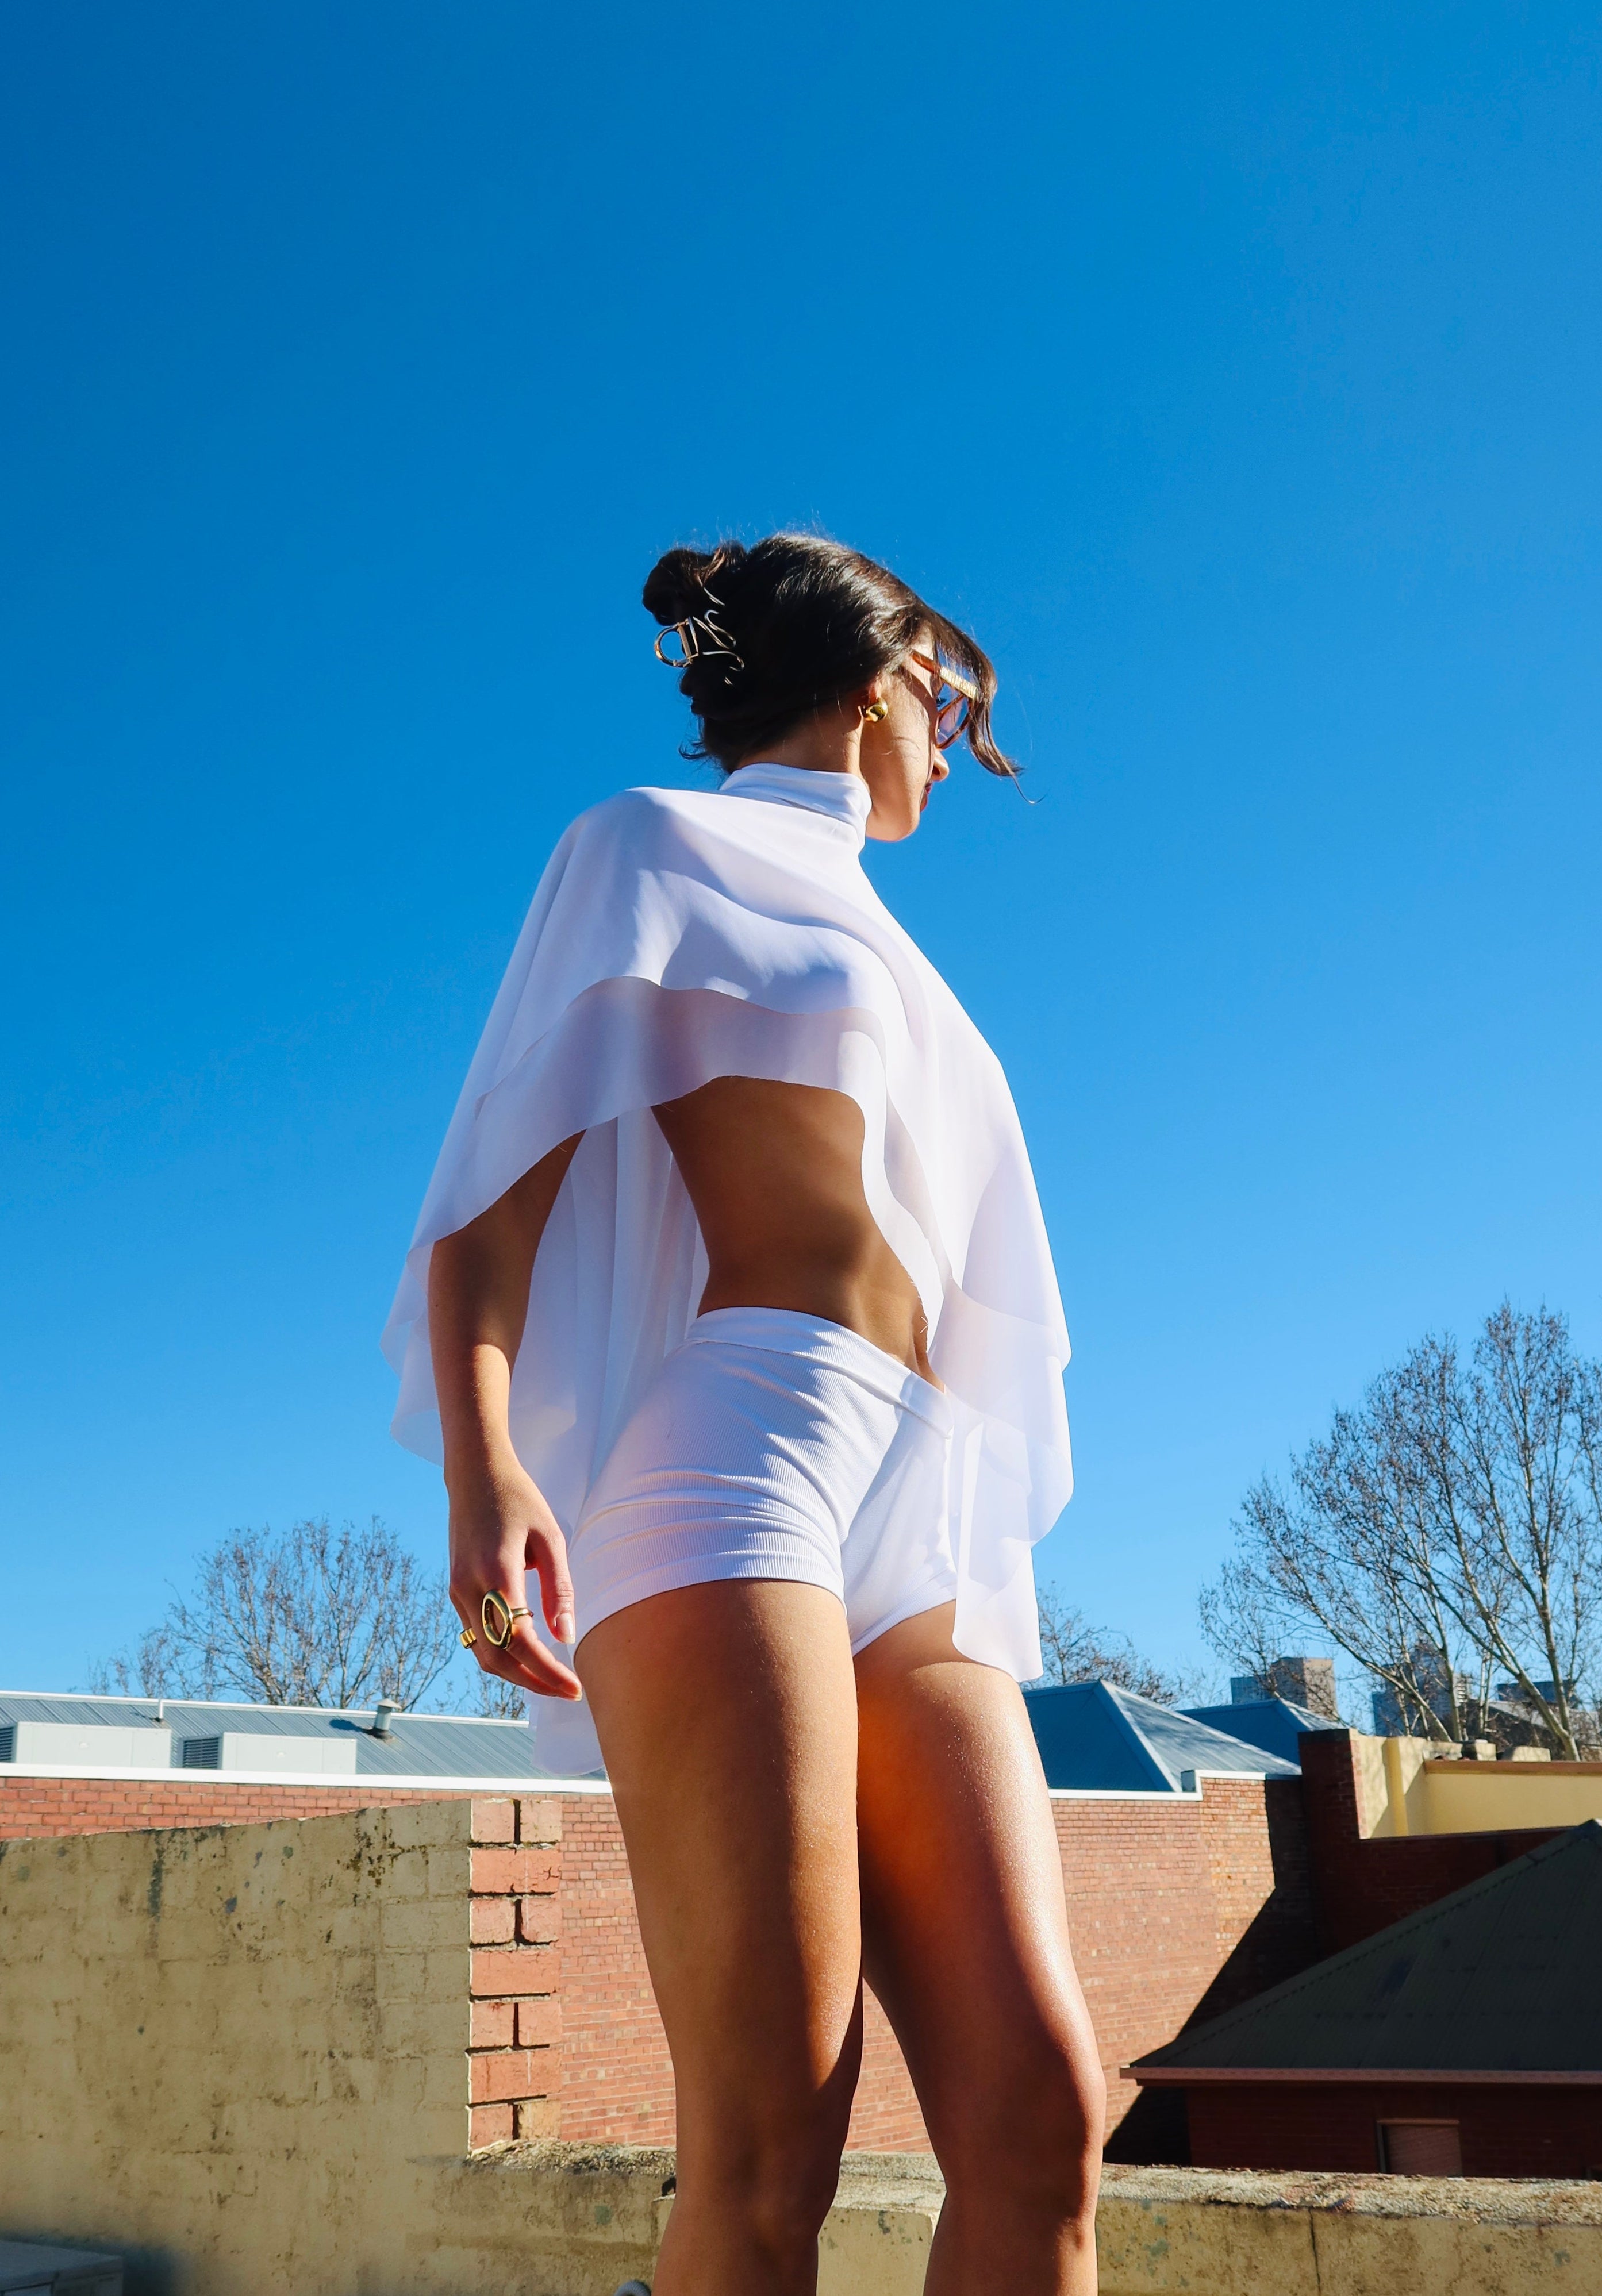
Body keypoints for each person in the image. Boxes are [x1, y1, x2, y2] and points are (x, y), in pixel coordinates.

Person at [383, 533, 1105, 2294]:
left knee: (1041, 2118)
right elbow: (492, 1203)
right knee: (774, 2143)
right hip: (739, 1471)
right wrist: (487, 1467)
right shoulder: (649, 845)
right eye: (949, 700)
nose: (955, 739)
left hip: (912, 1506)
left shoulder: (906, 961)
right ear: (878, 684)